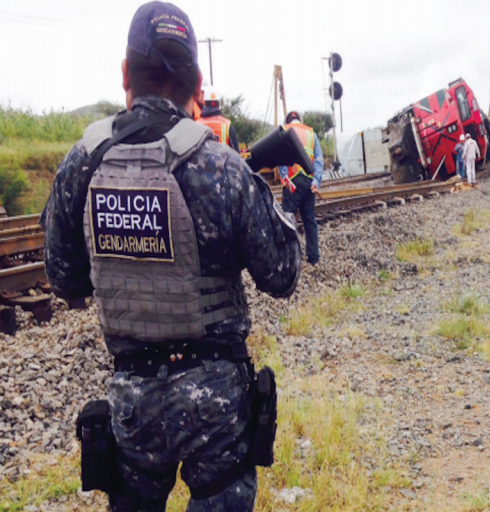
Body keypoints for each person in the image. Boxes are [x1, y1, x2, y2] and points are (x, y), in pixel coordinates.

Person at [42, 2, 301, 510]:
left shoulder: (83, 163)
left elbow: (65, 279)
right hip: (217, 409)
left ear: (124, 75)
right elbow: (283, 273)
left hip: (133, 403)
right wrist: (278, 197)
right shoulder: (221, 166)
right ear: (198, 86)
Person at [279, 111, 323, 266]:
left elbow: (281, 156)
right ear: (300, 120)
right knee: (309, 220)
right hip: (308, 182)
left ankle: (290, 258)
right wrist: (316, 181)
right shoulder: (311, 133)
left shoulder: (285, 131)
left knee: (288, 220)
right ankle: (313, 258)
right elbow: (318, 159)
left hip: (292, 182)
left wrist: (284, 177)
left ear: (288, 121)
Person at [197, 87, 240, 152]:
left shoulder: (196, 124)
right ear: (218, 104)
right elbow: (237, 155)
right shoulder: (227, 126)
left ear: (205, 103)